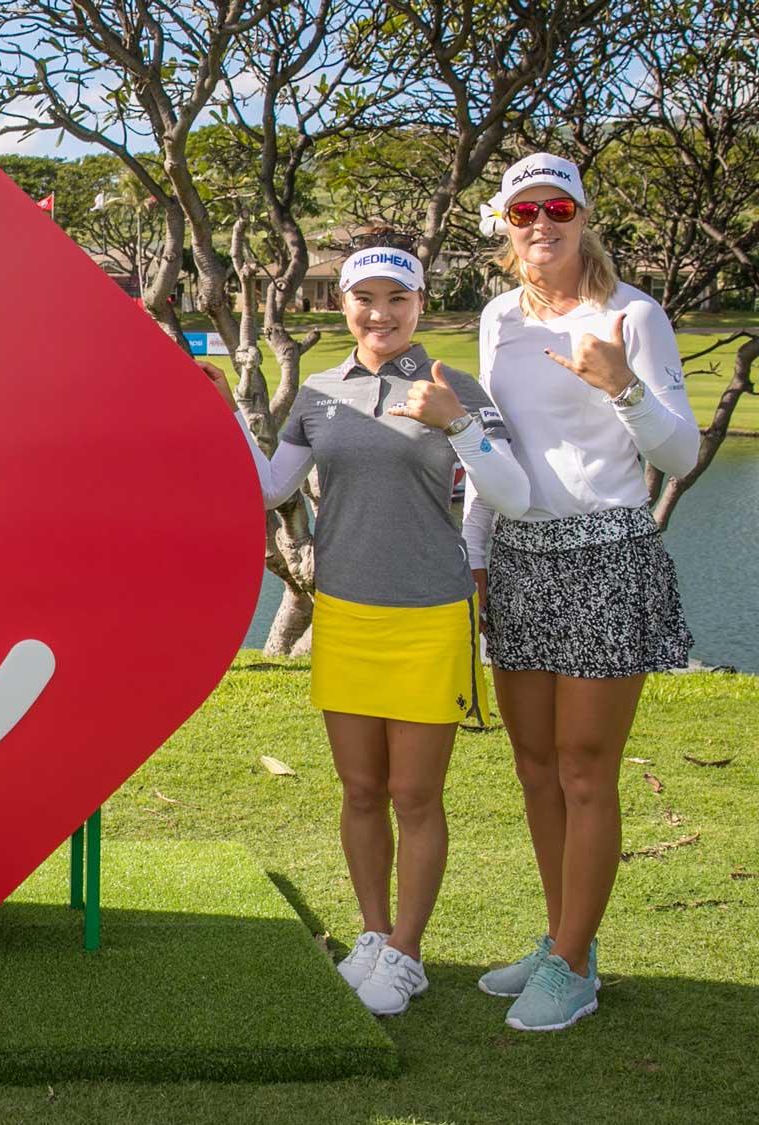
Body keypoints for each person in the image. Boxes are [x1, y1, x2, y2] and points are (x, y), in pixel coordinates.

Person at [204, 242, 531, 1017]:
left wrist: (456, 427)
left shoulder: (455, 385)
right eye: (365, 298)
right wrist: (222, 412)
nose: (379, 314)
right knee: (359, 790)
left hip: (429, 617)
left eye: (397, 298)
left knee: (415, 794)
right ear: (342, 304)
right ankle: (375, 936)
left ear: (419, 304)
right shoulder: (319, 392)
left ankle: (409, 953)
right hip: (346, 614)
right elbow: (272, 487)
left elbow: (511, 493)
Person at [465, 154, 698, 1032]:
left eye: (556, 207)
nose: (540, 225)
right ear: (507, 226)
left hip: (607, 554)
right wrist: (477, 556)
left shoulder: (634, 314)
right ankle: (569, 937)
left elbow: (677, 456)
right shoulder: (497, 319)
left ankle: (572, 965)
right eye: (523, 212)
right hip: (520, 557)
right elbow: (493, 448)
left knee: (584, 771)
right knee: (534, 769)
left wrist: (623, 387)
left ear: (582, 215)